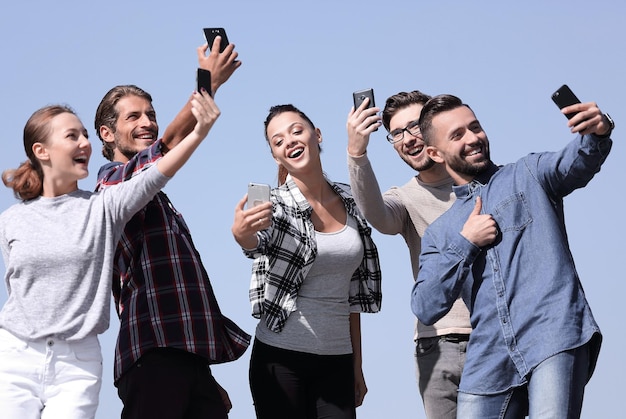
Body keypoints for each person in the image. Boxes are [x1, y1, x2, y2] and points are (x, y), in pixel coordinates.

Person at [0, 89, 219, 418]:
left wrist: (201, 130)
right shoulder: (12, 221)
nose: (84, 144)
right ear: (41, 151)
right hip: (16, 355)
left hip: (79, 362)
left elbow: (161, 169)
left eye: (85, 135)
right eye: (72, 136)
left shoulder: (103, 207)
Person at [411, 93, 613, 418]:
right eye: (457, 134)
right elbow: (426, 305)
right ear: (434, 152)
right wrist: (466, 243)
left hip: (552, 335)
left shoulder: (529, 173)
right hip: (487, 364)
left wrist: (598, 132)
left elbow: (577, 161)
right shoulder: (442, 232)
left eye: (474, 127)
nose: (473, 138)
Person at [94, 38, 250, 419]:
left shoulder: (159, 201)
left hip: (186, 357)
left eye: (150, 113)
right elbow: (167, 146)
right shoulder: (111, 185)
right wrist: (206, 85)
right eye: (133, 117)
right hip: (151, 353)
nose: (147, 122)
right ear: (107, 134)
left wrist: (202, 374)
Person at [231, 104, 382, 419]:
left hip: (338, 360)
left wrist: (357, 365)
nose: (289, 141)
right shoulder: (274, 204)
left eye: (296, 130)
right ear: (276, 156)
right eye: (278, 140)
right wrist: (241, 233)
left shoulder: (351, 200)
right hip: (280, 358)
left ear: (318, 135)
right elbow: (257, 242)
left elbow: (352, 296)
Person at [346, 90, 471, 419]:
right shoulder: (403, 198)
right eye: (396, 133)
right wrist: (357, 154)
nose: (407, 139)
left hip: (495, 335)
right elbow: (377, 214)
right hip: (436, 345)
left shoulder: (485, 182)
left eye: (414, 126)